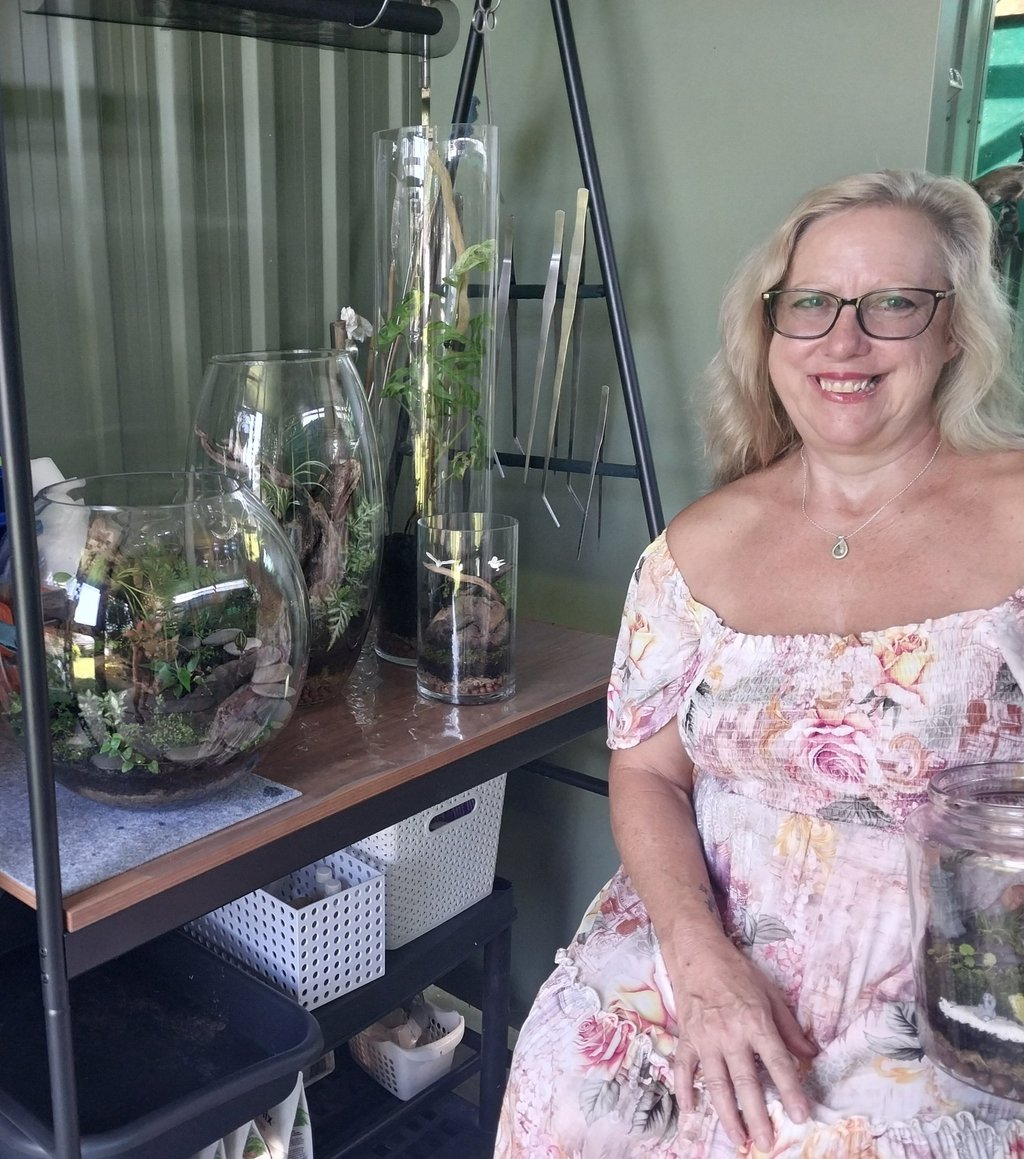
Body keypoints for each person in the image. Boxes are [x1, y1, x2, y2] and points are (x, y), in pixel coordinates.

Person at [494, 169, 1024, 1157]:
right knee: (571, 1084)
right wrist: (696, 959)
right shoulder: (694, 546)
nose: (843, 340)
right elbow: (647, 770)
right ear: (769, 329)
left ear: (953, 330)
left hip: (942, 989)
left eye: (893, 305)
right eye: (811, 304)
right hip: (695, 947)